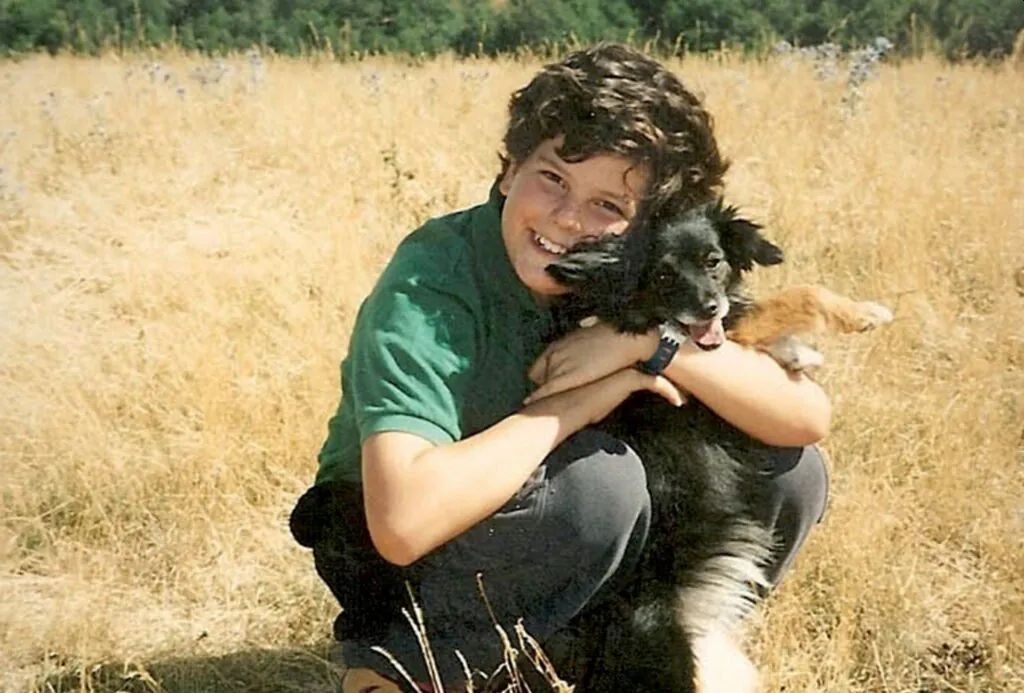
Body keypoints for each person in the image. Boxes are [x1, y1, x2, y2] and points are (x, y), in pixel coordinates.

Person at [290, 43, 831, 692]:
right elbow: (401, 524)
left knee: (788, 471)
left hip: (545, 529)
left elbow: (806, 419)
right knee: (605, 486)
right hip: (391, 547)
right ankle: (399, 663)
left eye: (608, 205)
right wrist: (574, 403)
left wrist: (646, 346)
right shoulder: (433, 283)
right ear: (507, 169)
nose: (568, 219)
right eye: (551, 177)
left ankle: (623, 642)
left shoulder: (637, 275)